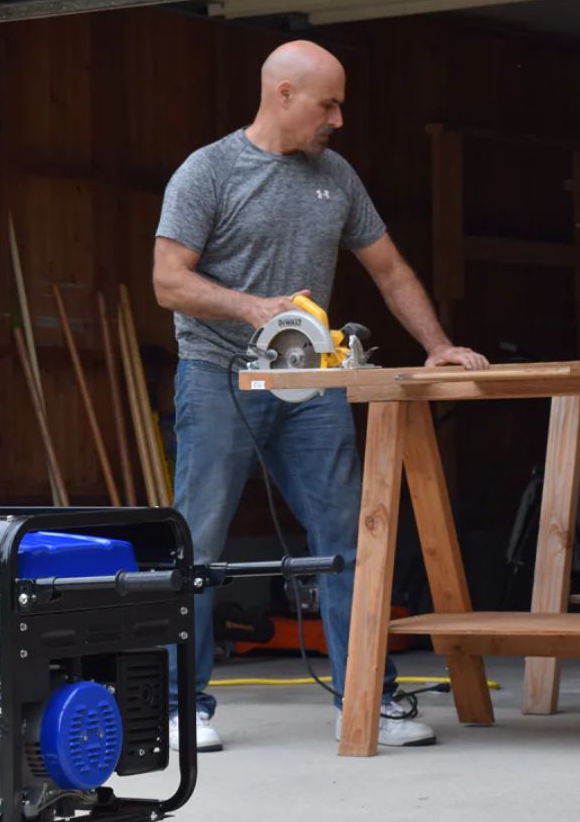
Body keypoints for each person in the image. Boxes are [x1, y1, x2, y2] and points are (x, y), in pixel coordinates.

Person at [152, 39, 487, 754]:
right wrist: (250, 309)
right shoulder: (207, 172)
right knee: (200, 541)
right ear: (282, 95)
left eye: (339, 103)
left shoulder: (336, 176)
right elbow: (168, 281)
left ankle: (367, 696)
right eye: (326, 103)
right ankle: (185, 706)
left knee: (350, 536)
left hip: (313, 380)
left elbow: (391, 270)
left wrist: (436, 345)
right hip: (219, 377)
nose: (338, 118)